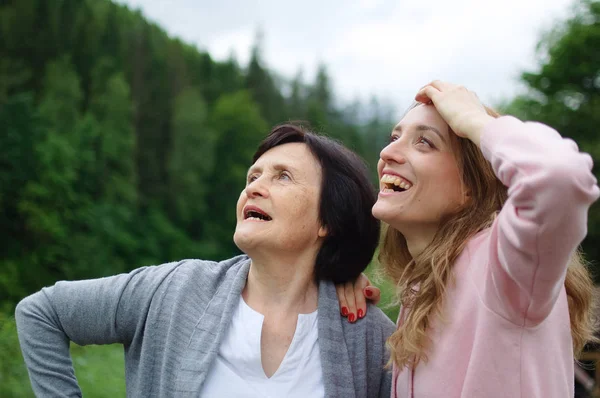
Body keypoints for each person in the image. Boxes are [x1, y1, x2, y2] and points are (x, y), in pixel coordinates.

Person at [15, 123, 395, 398]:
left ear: (328, 220)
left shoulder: (369, 337)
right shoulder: (173, 289)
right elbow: (42, 313)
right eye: (253, 175)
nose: (254, 187)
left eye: (283, 177)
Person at [337, 81, 599, 397]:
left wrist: (472, 119)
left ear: (472, 187)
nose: (387, 152)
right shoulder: (421, 292)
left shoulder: (500, 269)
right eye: (394, 138)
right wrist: (329, 286)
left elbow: (560, 175)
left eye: (424, 142)